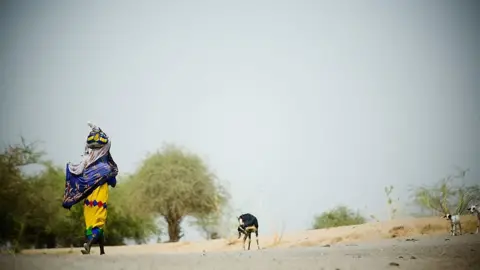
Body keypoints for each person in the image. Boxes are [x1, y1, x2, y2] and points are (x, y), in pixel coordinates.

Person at [62, 122, 119, 255]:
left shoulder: (86, 165)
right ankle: (89, 244)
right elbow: (113, 182)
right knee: (98, 223)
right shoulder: (106, 167)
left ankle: (100, 250)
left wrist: (95, 129)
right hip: (100, 199)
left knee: (90, 223)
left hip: (88, 200)